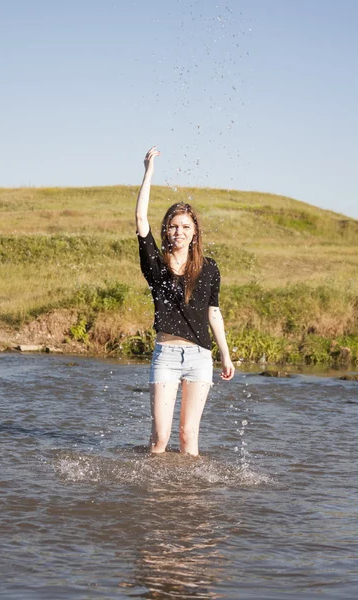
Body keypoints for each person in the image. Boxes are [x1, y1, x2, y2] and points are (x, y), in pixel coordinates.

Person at [136, 146, 235, 456]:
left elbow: (213, 312)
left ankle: (188, 501)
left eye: (186, 227)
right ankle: (155, 495)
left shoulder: (209, 268)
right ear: (167, 230)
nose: (179, 231)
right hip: (165, 355)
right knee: (160, 438)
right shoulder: (156, 263)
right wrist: (148, 172)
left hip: (199, 358)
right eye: (174, 226)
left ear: (195, 233)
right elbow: (140, 218)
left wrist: (225, 355)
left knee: (188, 437)